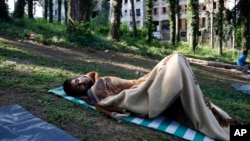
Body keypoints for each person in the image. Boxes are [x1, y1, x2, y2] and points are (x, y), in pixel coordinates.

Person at [63, 53, 239, 141]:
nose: (81, 83)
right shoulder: (94, 91)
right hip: (144, 96)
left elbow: (131, 83)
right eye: (78, 87)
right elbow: (114, 101)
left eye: (78, 80)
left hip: (143, 85)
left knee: (176, 62)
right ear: (80, 92)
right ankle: (239, 134)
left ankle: (239, 132)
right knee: (176, 62)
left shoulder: (98, 80)